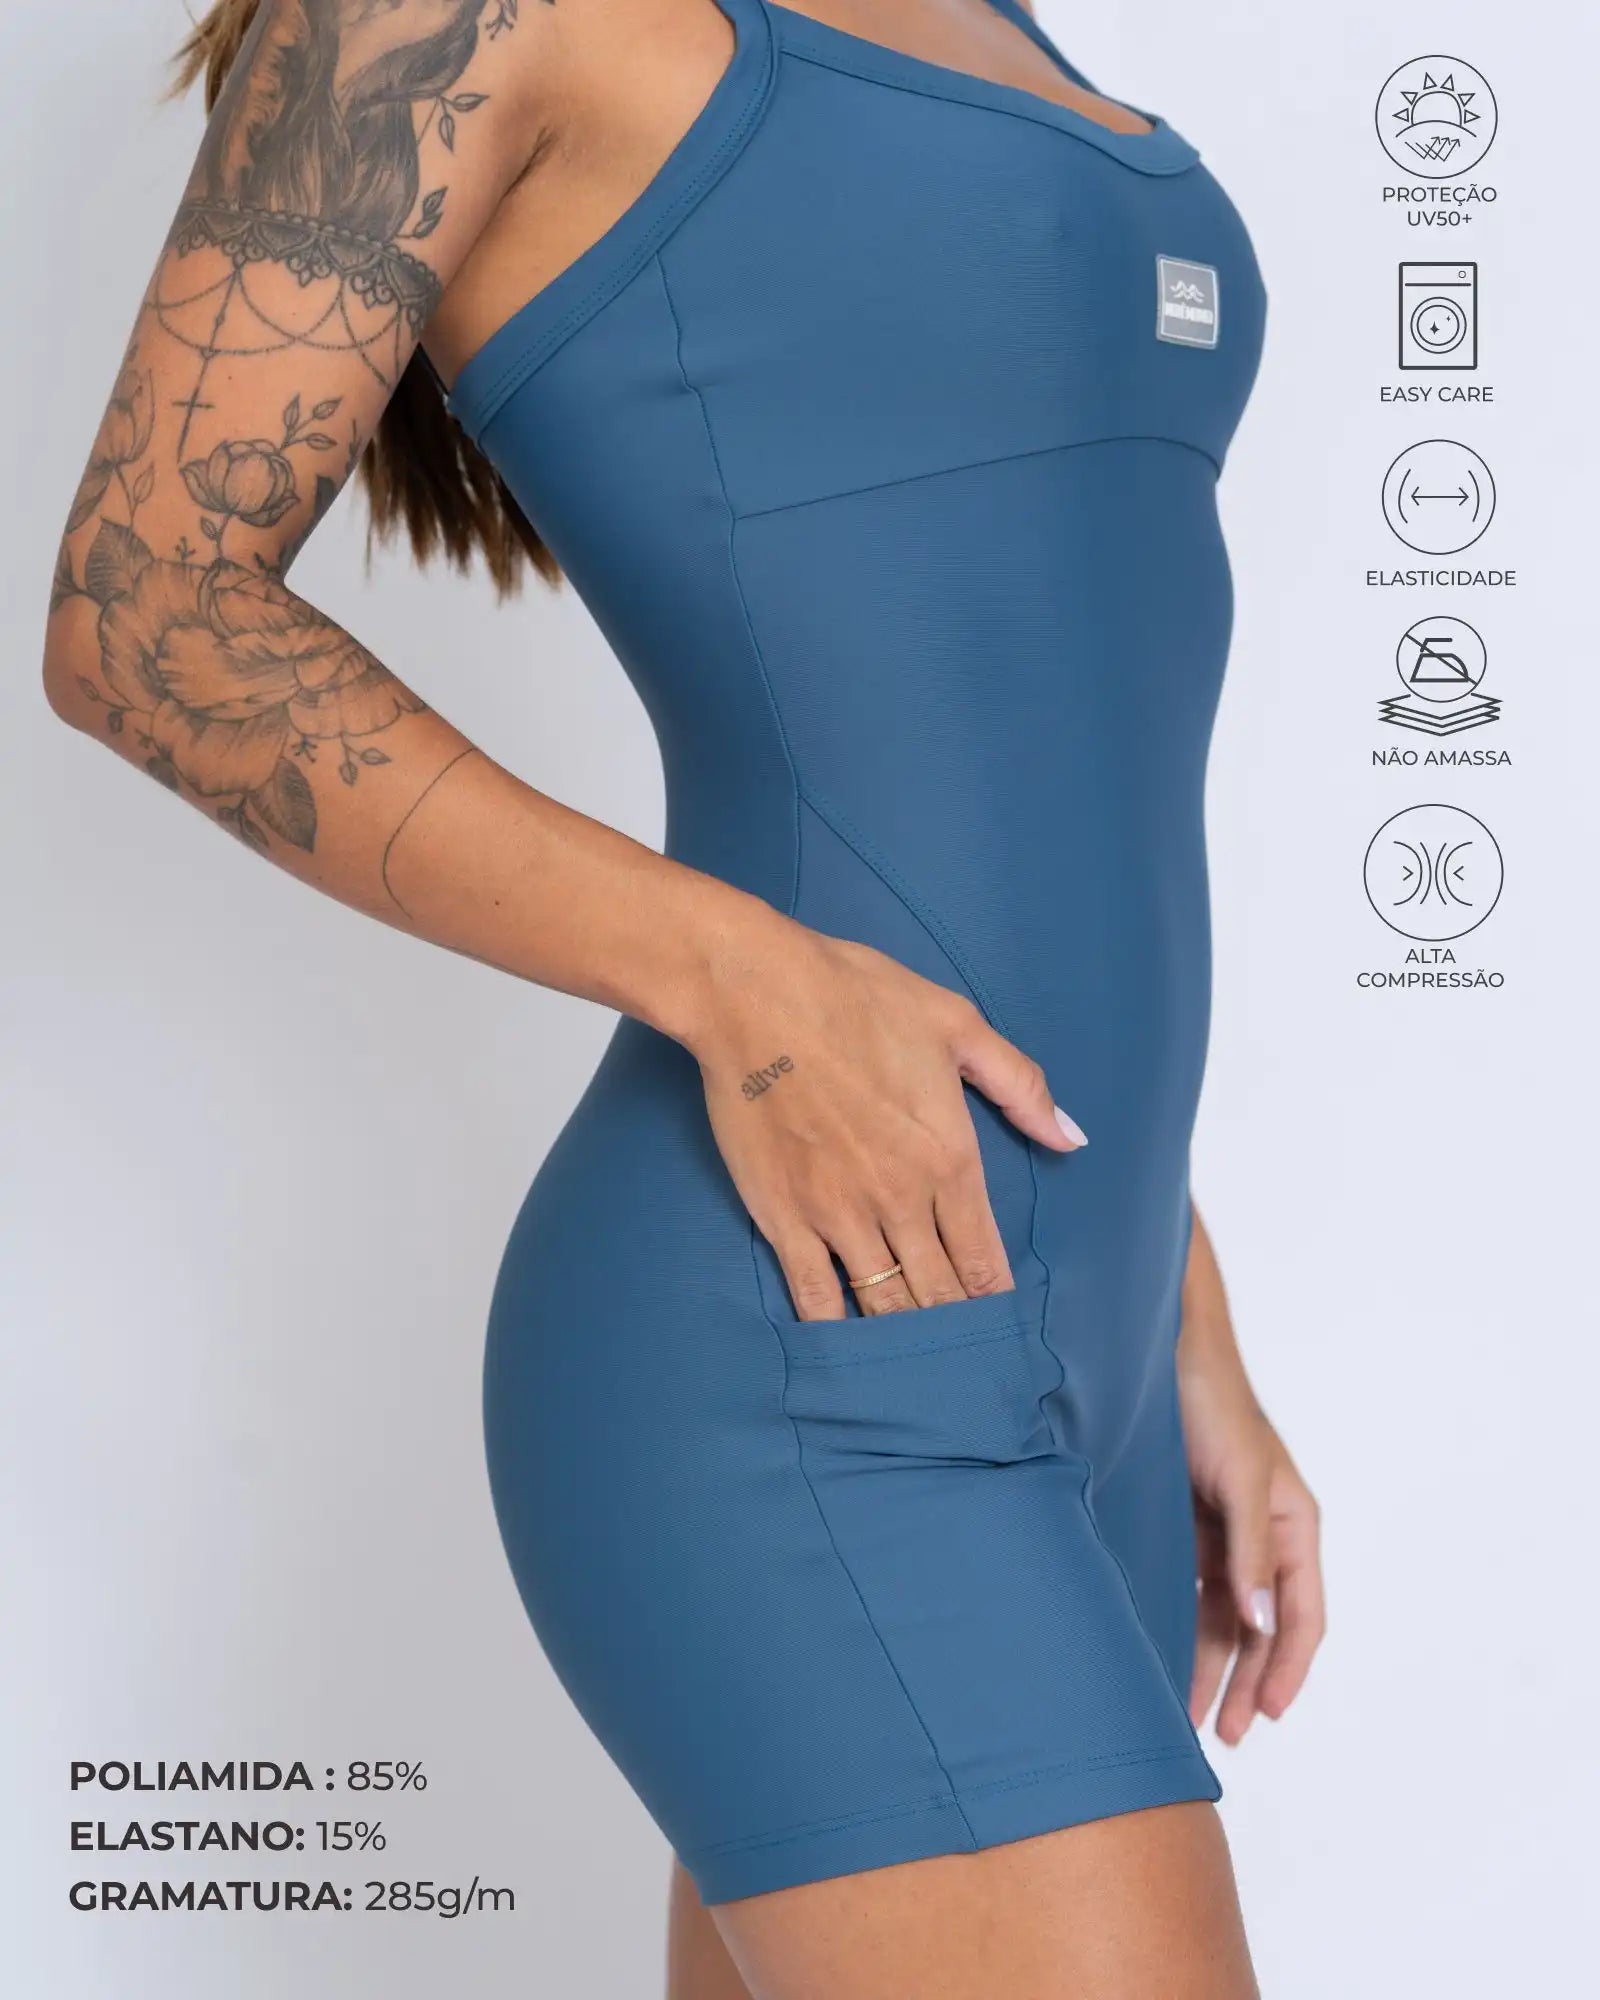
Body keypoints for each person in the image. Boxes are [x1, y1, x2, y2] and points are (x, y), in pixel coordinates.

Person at [41, 2, 1325, 1993]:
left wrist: (1180, 1312)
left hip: (1079, 1343)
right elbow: (144, 613)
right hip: (807, 1333)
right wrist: (734, 974)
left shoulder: (987, 17)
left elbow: (1022, 742)